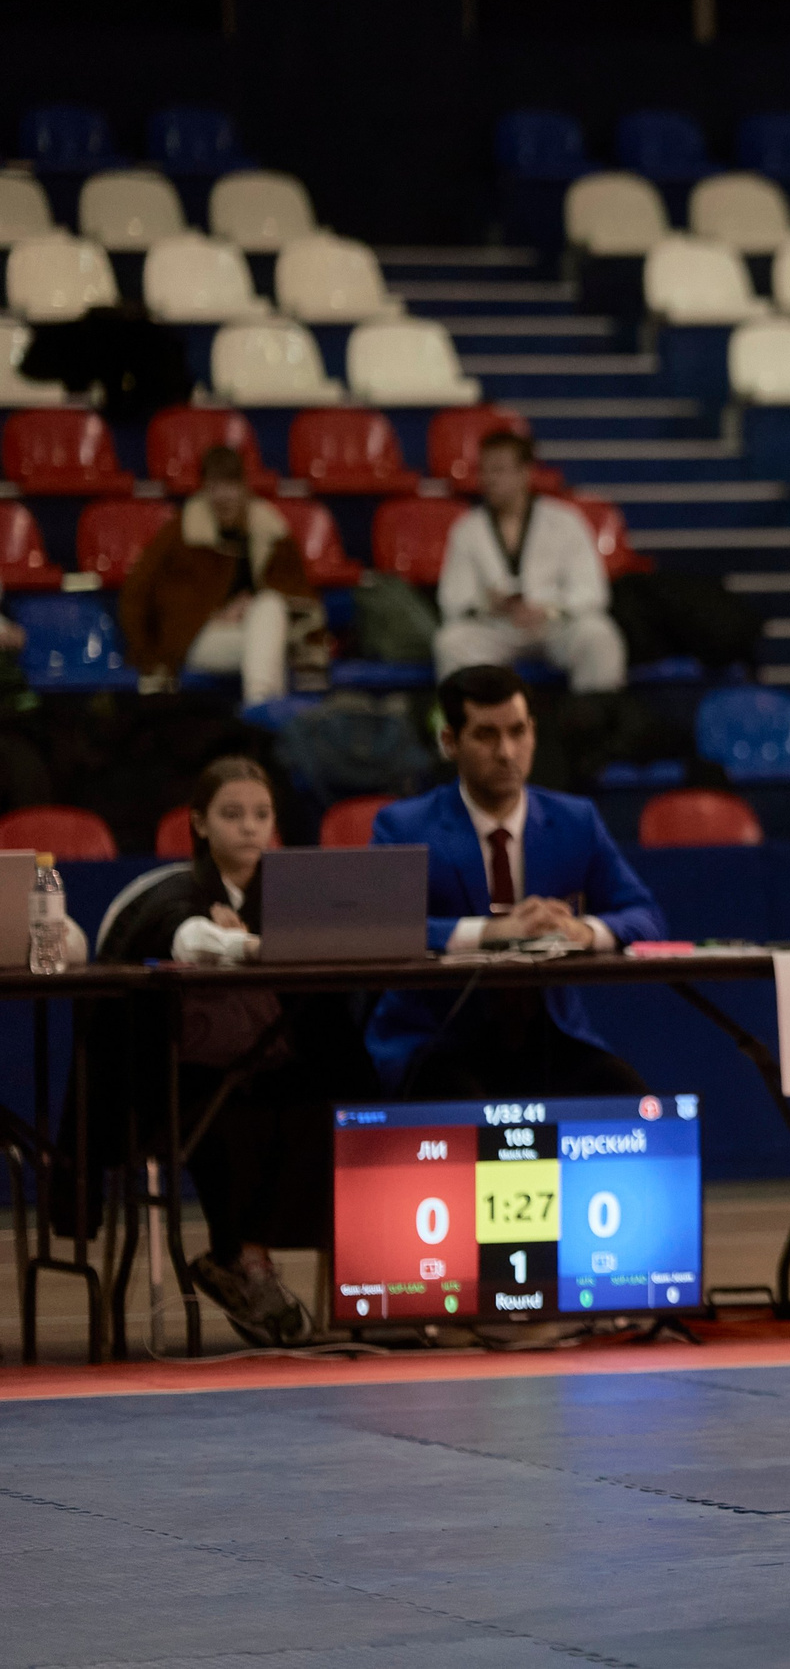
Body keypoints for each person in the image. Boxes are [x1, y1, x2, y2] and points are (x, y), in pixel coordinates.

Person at [91, 757, 377, 1346]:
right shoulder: (174, 892)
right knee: (229, 1116)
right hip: (175, 1080)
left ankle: (256, 1258)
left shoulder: (295, 898)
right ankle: (242, 1259)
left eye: (261, 814)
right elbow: (183, 937)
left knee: (332, 1106)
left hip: (271, 1066)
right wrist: (243, 947)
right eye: (232, 814)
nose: (249, 827)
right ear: (199, 823)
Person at [366, 664, 668, 1097]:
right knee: (463, 1102)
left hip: (551, 1040)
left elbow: (646, 917)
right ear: (450, 741)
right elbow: (381, 930)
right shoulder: (404, 826)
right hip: (439, 1043)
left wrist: (583, 931)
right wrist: (491, 933)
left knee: (630, 1097)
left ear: (534, 733)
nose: (507, 752)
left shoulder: (576, 820)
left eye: (517, 732)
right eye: (486, 735)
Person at [121, 447, 321, 705]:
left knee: (269, 606)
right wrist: (150, 654)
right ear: (204, 489)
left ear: (244, 487)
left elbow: (299, 596)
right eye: (215, 486)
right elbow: (136, 592)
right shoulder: (182, 531)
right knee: (269, 647)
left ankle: (258, 706)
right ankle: (264, 713)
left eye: (230, 486)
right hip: (200, 638)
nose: (223, 496)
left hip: (259, 631)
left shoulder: (270, 530)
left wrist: (249, 608)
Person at [434, 431, 626, 692]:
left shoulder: (564, 520)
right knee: (450, 642)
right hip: (497, 627)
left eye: (498, 470)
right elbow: (453, 598)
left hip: (554, 625)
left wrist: (548, 609)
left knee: (599, 635)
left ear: (525, 472)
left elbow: (592, 590)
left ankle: (595, 715)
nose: (489, 479)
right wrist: (487, 604)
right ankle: (474, 718)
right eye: (484, 470)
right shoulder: (467, 529)